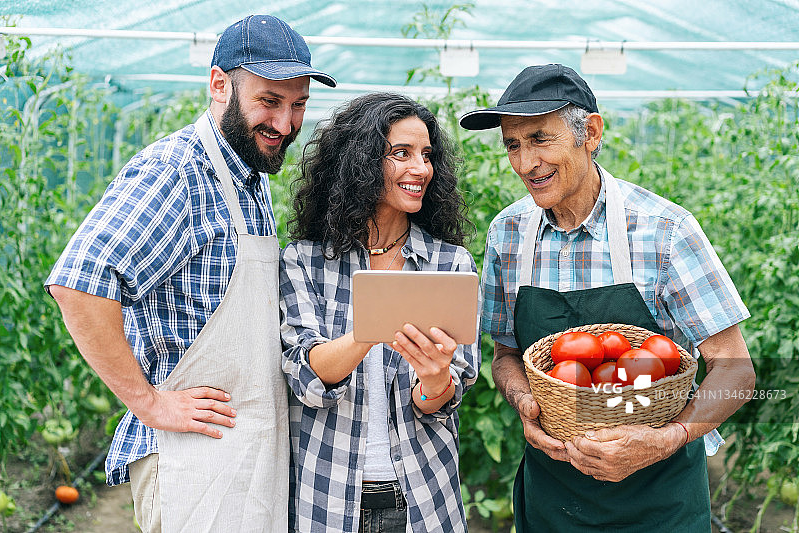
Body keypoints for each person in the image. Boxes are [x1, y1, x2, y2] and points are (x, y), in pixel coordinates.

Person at [45, 14, 335, 532]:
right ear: (219, 84)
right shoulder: (178, 170)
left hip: (244, 456)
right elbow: (78, 284)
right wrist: (149, 403)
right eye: (269, 101)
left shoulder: (248, 180)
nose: (286, 124)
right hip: (194, 465)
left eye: (298, 105)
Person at [459, 63, 756, 532]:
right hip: (553, 499)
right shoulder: (508, 235)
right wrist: (524, 405)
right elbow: (506, 355)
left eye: (540, 138)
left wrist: (665, 439)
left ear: (591, 132)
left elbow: (737, 369)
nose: (524, 163)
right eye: (512, 145)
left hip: (660, 504)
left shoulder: (665, 231)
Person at [280, 92, 480, 532]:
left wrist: (433, 379)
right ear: (362, 162)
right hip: (328, 500)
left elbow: (445, 401)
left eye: (427, 155)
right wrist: (372, 325)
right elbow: (306, 381)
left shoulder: (451, 266)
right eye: (401, 153)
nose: (420, 169)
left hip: (422, 498)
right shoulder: (306, 261)